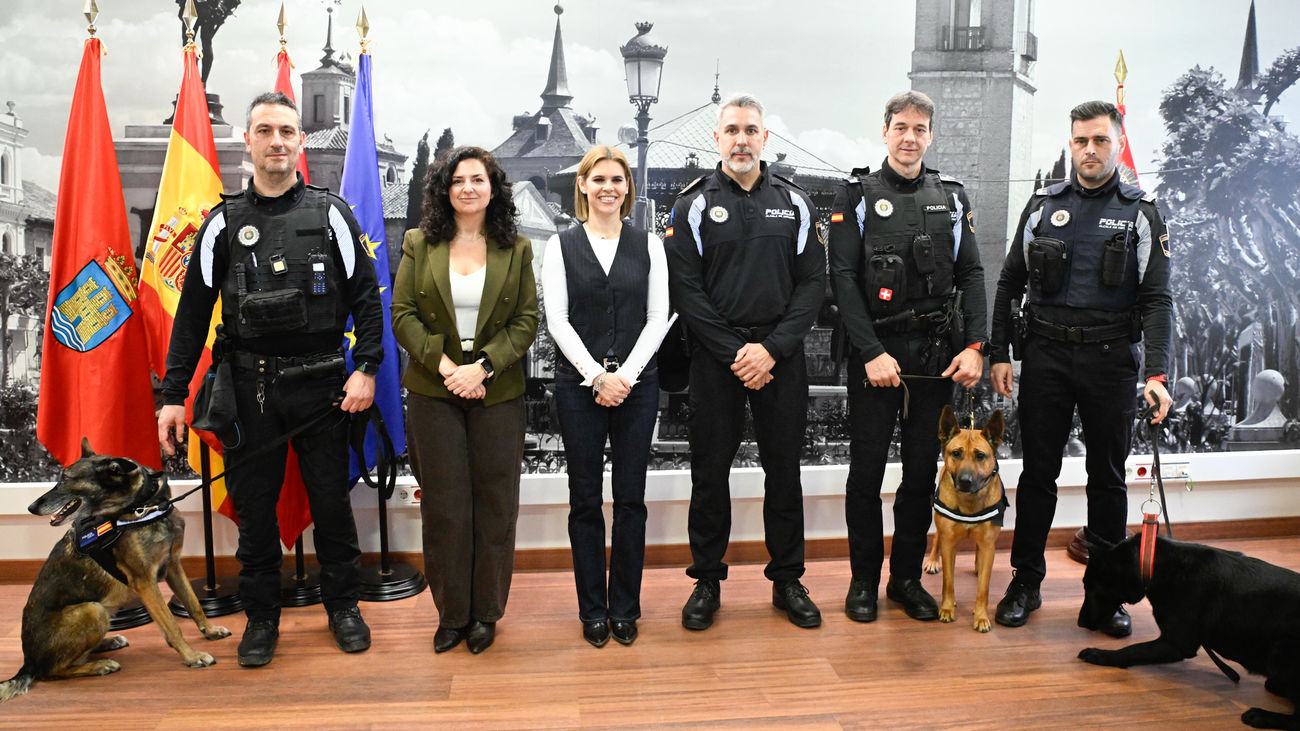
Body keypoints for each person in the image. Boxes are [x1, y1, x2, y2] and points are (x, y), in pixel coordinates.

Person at [157, 91, 382, 667]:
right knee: (255, 509)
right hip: (249, 390)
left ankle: (343, 607)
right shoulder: (222, 223)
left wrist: (368, 370)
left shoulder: (332, 213)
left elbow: (366, 299)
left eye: (287, 131)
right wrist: (173, 396)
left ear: (299, 142)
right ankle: (261, 616)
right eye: (265, 131)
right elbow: (190, 315)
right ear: (249, 142)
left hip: (325, 388)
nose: (277, 141)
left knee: (332, 502)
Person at [989, 100, 1172, 635]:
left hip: (1111, 361)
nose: (1089, 150)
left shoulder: (1142, 211)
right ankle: (1026, 582)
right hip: (1044, 356)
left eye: (1099, 141)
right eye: (1080, 141)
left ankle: (1105, 597)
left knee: (1107, 479)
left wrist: (1157, 375)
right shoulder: (1043, 206)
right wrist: (1001, 353)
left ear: (1117, 143)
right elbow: (1009, 283)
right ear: (1070, 144)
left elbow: (1158, 299)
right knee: (1038, 473)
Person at [665, 93, 826, 631]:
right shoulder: (690, 205)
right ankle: (706, 580)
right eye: (731, 129)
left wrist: (772, 349)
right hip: (717, 360)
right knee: (709, 473)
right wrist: (736, 352)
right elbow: (686, 291)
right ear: (717, 139)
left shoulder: (797, 204)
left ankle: (787, 579)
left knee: (784, 472)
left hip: (780, 358)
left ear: (765, 139)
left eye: (750, 130)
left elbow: (811, 287)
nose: (741, 139)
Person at [827, 90, 987, 624]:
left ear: (930, 135)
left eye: (920, 128)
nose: (910, 137)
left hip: (936, 356)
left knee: (920, 475)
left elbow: (972, 275)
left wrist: (974, 346)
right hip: (875, 354)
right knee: (866, 475)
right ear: (885, 131)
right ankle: (863, 583)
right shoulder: (855, 195)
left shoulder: (953, 197)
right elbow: (843, 279)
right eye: (900, 126)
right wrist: (870, 351)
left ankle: (906, 580)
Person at [392, 146, 538, 655]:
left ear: (493, 188)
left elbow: (526, 321)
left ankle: (486, 613)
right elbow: (403, 313)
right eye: (458, 180)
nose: (468, 188)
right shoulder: (418, 242)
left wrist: (485, 367)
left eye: (478, 179)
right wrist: (449, 367)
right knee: (446, 508)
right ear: (444, 190)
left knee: (496, 506)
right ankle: (452, 614)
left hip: (498, 391)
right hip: (436, 390)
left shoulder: (516, 248)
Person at [542, 146, 668, 648]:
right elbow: (557, 321)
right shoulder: (561, 246)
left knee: (631, 501)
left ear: (627, 189)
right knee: (585, 501)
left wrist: (626, 377)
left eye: (617, 179)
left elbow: (658, 318)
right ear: (583, 186)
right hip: (578, 387)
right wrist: (597, 376)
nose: (608, 187)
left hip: (638, 388)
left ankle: (625, 608)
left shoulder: (650, 245)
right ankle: (592, 609)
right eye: (599, 179)